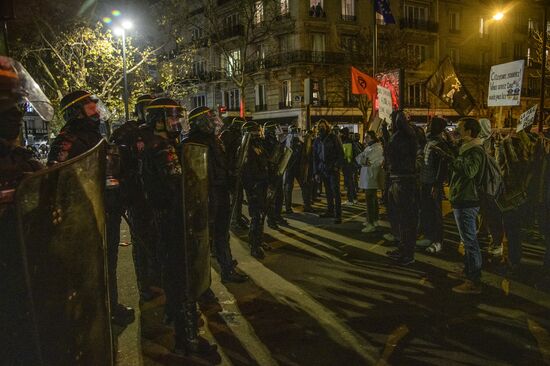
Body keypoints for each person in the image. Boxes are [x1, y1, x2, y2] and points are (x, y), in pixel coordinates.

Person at [48, 90, 135, 325]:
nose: (97, 111)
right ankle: (91, 313)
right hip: (83, 217)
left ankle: (109, 306)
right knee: (87, 268)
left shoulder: (95, 136)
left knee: (109, 263)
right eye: (90, 107)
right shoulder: (67, 140)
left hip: (106, 211)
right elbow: (56, 181)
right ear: (77, 112)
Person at [141, 97, 218, 358]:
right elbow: (176, 187)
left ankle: (180, 330)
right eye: (171, 117)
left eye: (177, 117)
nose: (176, 122)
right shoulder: (161, 148)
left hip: (170, 221)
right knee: (183, 280)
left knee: (178, 280)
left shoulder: (164, 144)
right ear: (158, 120)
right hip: (172, 223)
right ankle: (188, 341)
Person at [1, 57, 47, 364]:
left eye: (18, 102)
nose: (17, 112)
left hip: (26, 281)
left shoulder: (21, 158)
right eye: (6, 104)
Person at [183, 107, 248, 283]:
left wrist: (232, 177)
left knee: (221, 233)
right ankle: (201, 281)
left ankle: (227, 268)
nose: (214, 122)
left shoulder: (216, 141)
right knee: (202, 238)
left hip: (220, 193)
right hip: (205, 196)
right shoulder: (191, 143)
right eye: (210, 119)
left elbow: (223, 166)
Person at [110, 94, 162, 303]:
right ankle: (145, 285)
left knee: (159, 238)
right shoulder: (128, 132)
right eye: (146, 108)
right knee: (142, 242)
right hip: (137, 195)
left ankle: (157, 277)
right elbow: (115, 160)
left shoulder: (156, 131)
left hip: (157, 193)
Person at [445, 117, 485, 294]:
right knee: (467, 239)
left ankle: (474, 281)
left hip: (468, 200)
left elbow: (470, 171)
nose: (457, 130)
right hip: (462, 198)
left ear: (469, 131)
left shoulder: (475, 150)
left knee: (470, 241)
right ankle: (468, 271)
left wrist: (453, 158)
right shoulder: (467, 148)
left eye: (460, 127)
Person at [385, 111, 419, 265]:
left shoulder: (405, 136)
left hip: (403, 179)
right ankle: (403, 248)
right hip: (398, 178)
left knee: (406, 219)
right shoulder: (403, 135)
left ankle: (408, 253)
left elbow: (395, 155)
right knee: (401, 217)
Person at [417, 117, 450, 254]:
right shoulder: (428, 140)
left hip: (433, 184)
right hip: (424, 182)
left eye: (431, 124)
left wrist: (436, 185)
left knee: (436, 213)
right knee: (426, 211)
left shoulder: (441, 144)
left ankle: (437, 241)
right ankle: (428, 236)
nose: (428, 126)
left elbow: (442, 168)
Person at [241, 121, 270, 259]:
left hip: (262, 185)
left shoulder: (258, 146)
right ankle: (254, 246)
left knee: (261, 215)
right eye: (257, 131)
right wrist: (252, 189)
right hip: (255, 188)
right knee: (256, 217)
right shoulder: (246, 149)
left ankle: (259, 240)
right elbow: (247, 173)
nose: (259, 133)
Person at [312, 119, 344, 224]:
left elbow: (340, 153)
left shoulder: (333, 137)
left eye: (323, 126)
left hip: (333, 169)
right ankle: (330, 211)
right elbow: (315, 157)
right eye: (319, 126)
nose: (321, 128)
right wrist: (316, 172)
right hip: (323, 169)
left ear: (327, 127)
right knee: (328, 192)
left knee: (336, 192)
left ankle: (338, 215)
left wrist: (336, 166)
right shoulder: (317, 140)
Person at [220, 117, 249, 230]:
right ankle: (233, 220)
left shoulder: (238, 135)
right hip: (230, 170)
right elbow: (224, 153)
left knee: (239, 196)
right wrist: (229, 169)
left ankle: (237, 217)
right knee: (233, 198)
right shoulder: (227, 134)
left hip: (237, 169)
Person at [356, 131, 384, 233]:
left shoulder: (377, 148)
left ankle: (370, 222)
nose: (365, 139)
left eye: (367, 137)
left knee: (370, 199)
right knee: (373, 199)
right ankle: (375, 219)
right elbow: (359, 158)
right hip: (368, 176)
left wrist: (363, 160)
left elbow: (368, 160)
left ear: (372, 138)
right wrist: (363, 160)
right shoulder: (369, 147)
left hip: (371, 176)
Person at [263, 121, 288, 229]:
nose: (276, 132)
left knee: (279, 196)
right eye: (274, 130)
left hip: (277, 172)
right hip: (270, 174)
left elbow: (280, 154)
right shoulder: (265, 143)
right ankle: (271, 219)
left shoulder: (275, 141)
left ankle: (277, 216)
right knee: (271, 198)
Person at [283, 125, 313, 213]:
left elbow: (305, 152)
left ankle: (304, 206)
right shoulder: (289, 140)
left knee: (301, 186)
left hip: (297, 166)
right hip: (290, 167)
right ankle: (289, 207)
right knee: (289, 187)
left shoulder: (297, 140)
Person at [340, 127, 358, 205]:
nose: (340, 134)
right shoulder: (350, 141)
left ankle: (350, 199)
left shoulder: (346, 142)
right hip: (350, 165)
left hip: (348, 165)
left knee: (349, 182)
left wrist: (343, 163)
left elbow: (348, 155)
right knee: (351, 182)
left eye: (341, 133)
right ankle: (353, 198)